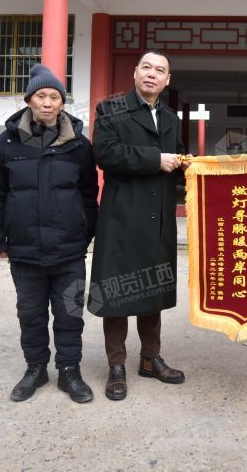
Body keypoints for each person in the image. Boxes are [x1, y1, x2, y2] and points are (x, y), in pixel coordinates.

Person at [0, 63, 99, 403]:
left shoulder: (79, 145)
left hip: (69, 250)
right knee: (30, 314)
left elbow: (89, 195)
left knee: (70, 313)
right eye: (41, 96)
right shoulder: (6, 144)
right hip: (25, 250)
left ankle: (69, 371)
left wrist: (85, 233)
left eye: (54, 97)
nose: (47, 103)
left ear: (62, 103)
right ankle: (35, 368)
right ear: (29, 100)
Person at [89, 50, 186, 401]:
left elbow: (177, 159)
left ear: (167, 80)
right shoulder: (111, 109)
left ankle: (150, 358)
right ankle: (116, 365)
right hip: (122, 216)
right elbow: (105, 153)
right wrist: (155, 159)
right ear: (135, 72)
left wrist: (193, 168)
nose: (152, 74)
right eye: (146, 67)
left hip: (157, 217)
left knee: (152, 290)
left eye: (160, 70)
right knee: (117, 292)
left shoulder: (171, 117)